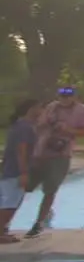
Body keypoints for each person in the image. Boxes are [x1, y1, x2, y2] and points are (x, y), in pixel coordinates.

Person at [24, 86, 84, 238]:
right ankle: (5, 222)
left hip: (61, 154)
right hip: (40, 152)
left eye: (68, 96)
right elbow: (38, 126)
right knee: (24, 186)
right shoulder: (51, 107)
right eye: (62, 96)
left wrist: (67, 129)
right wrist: (47, 124)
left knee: (50, 190)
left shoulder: (83, 110)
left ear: (74, 97)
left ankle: (39, 223)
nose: (65, 99)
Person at [1, 99, 40, 244]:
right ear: (31, 109)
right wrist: (24, 173)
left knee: (7, 202)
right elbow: (21, 150)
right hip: (15, 171)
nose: (41, 112)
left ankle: (3, 230)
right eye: (39, 108)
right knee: (10, 204)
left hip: (9, 170)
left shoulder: (19, 125)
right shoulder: (24, 127)